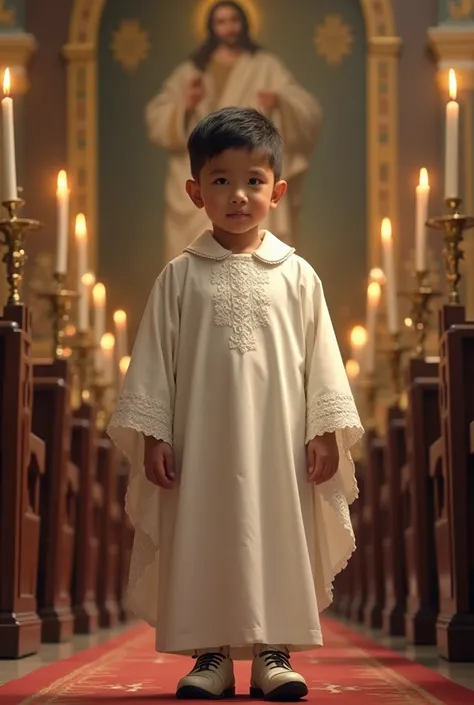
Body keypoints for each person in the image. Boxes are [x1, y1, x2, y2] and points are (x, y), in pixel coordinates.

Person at [108, 107, 363, 700]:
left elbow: (321, 359)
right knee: (204, 529)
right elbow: (154, 365)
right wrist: (154, 435)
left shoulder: (299, 276)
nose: (239, 195)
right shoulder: (178, 277)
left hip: (279, 443)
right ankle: (210, 655)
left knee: (277, 529)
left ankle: (275, 652)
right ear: (195, 191)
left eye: (253, 181)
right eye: (221, 181)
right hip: (201, 444)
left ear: (278, 190)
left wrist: (324, 430)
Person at [145, 0, 321, 263]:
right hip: (206, 167)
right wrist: (185, 105)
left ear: (244, 23)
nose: (229, 28)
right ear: (211, 26)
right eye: (221, 22)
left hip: (249, 161)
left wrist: (280, 102)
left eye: (234, 20)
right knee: (194, 268)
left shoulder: (264, 66)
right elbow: (156, 117)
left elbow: (309, 112)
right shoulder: (193, 70)